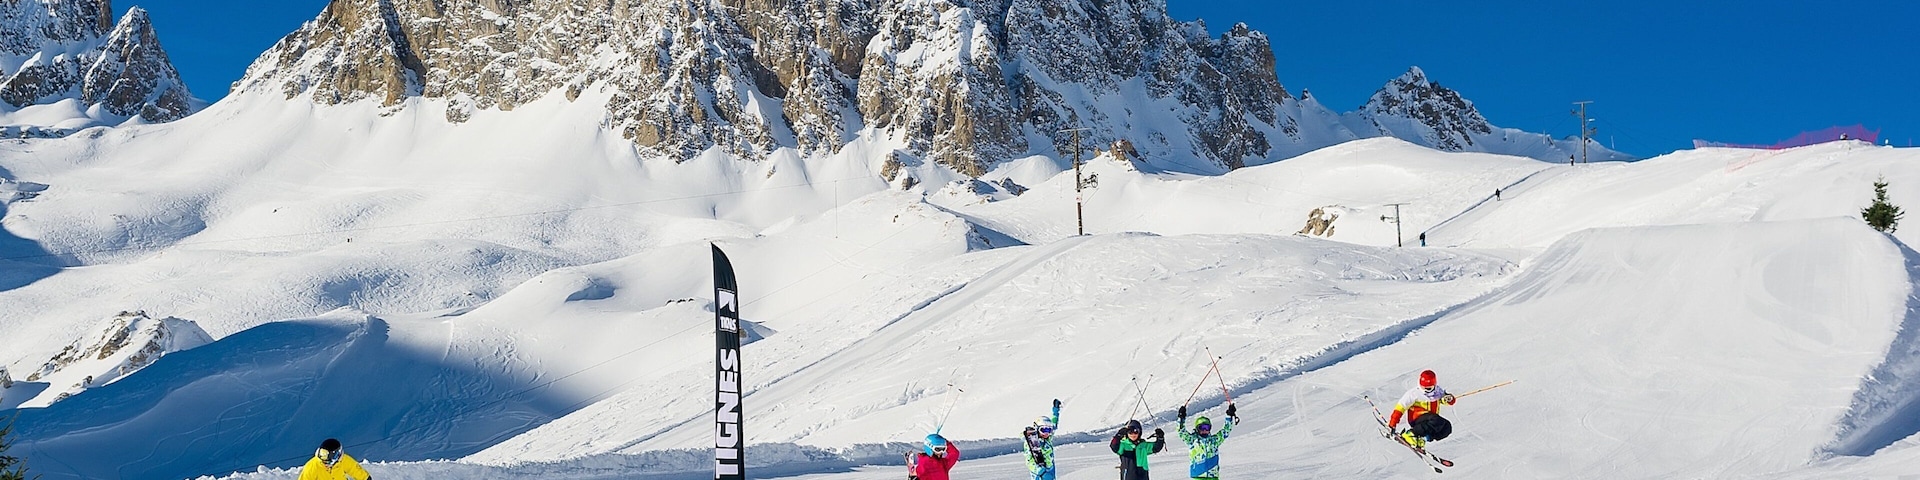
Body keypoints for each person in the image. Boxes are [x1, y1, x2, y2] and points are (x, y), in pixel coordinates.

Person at [1387, 370, 1457, 450]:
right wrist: (1393, 423)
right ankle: (1410, 434)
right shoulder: (1414, 394)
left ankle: (1422, 439)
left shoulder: (1438, 392)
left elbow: (1449, 401)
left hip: (1431, 420)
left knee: (1447, 427)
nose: (1426, 390)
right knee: (1436, 420)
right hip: (1417, 419)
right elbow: (1400, 407)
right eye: (1423, 387)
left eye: (1429, 388)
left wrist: (1449, 399)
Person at [1176, 403, 1238, 480]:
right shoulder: (1192, 440)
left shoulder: (1214, 441)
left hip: (1213, 476)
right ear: (1197, 428)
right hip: (1198, 476)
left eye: (1207, 427)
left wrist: (1229, 416)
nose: (1205, 430)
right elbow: (1181, 431)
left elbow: (1226, 431)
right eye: (1202, 427)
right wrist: (1181, 418)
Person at [1023, 399, 1063, 480]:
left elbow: (1054, 424)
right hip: (1039, 474)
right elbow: (1029, 461)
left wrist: (1056, 410)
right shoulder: (1031, 442)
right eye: (1043, 430)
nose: (1046, 433)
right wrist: (1039, 471)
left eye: (1049, 430)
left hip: (1050, 469)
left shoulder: (1047, 438)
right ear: (1036, 429)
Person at [298, 438, 371, 480]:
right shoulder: (312, 466)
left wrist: (366, 478)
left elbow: (355, 470)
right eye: (323, 453)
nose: (324, 460)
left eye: (327, 455)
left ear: (336, 455)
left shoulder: (344, 460)